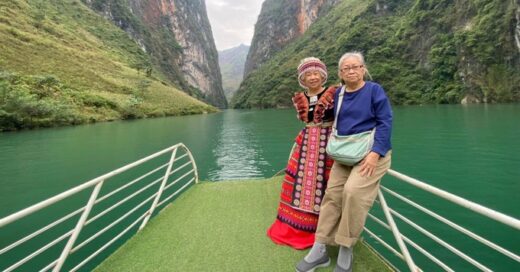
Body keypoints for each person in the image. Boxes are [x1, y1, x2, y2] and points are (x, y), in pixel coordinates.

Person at [296, 52, 393, 272]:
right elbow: (316, 112)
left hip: (371, 155)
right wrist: (309, 85)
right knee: (332, 195)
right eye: (345, 68)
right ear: (340, 73)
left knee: (352, 192)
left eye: (355, 67)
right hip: (344, 155)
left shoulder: (373, 90)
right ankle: (320, 247)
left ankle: (346, 247)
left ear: (363, 68)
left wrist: (376, 152)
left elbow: (385, 122)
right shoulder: (337, 94)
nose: (351, 71)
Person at [267, 57, 337, 249]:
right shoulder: (300, 98)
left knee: (325, 184)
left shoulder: (334, 94)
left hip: (328, 144)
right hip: (306, 144)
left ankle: (323, 230)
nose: (313, 77)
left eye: (316, 73)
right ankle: (295, 227)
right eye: (308, 74)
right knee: (297, 181)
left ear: (323, 75)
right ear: (302, 79)